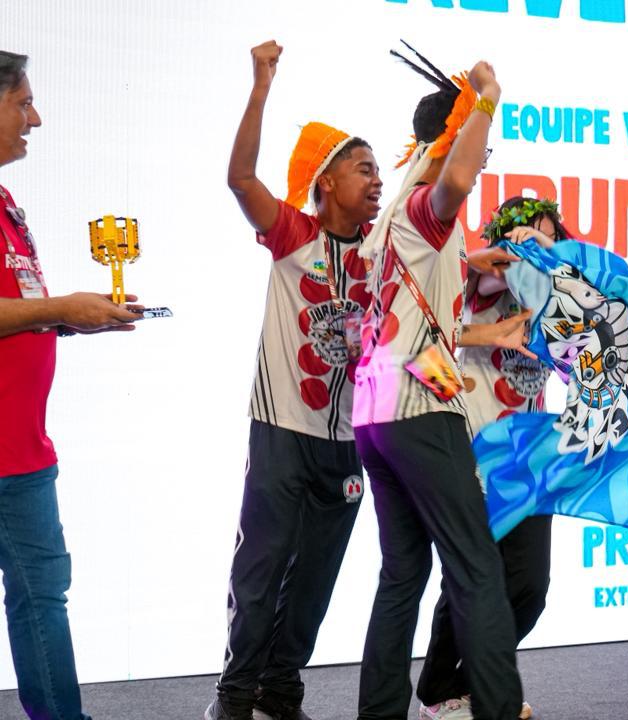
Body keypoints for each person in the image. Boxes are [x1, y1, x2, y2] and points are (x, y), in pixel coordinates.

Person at [352, 49, 531, 720]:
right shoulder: (429, 207)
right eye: (478, 148)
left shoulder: (396, 215)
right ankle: (497, 708)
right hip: (422, 410)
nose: (482, 163)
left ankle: (379, 712)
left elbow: (414, 306)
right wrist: (487, 95)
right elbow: (455, 178)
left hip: (375, 414)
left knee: (403, 572)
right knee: (476, 566)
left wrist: (470, 261)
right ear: (455, 136)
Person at [206, 40, 382, 720]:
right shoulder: (294, 235)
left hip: (349, 443)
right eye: (364, 170)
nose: (376, 181)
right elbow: (241, 180)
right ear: (328, 181)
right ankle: (233, 693)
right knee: (261, 573)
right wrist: (260, 87)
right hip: (281, 431)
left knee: (313, 582)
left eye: (378, 171)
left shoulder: (381, 250)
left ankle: (281, 691)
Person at [0, 49, 143, 720]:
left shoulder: (5, 201)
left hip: (21, 450)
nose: (37, 118)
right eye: (22, 102)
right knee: (41, 594)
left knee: (42, 593)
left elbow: (17, 307)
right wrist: (59, 309)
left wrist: (76, 320)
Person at [417, 196, 568, 720]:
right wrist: (461, 371)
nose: (532, 249)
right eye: (523, 236)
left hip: (529, 463)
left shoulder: (553, 301)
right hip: (470, 456)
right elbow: (412, 343)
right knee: (468, 581)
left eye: (545, 239)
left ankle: (470, 683)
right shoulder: (466, 282)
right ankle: (440, 694)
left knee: (530, 587)